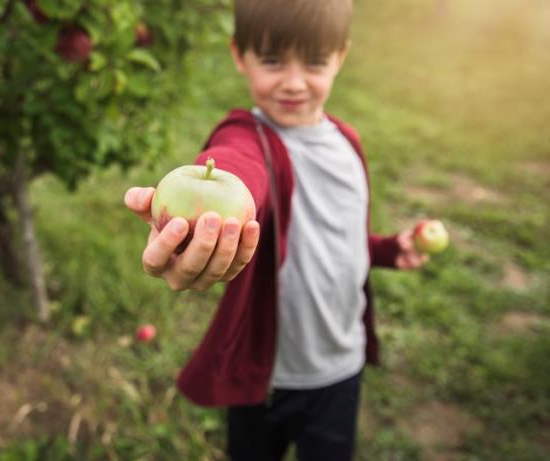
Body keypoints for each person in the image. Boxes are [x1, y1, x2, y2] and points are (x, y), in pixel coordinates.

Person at [124, 0, 428, 459]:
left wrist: (385, 250)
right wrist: (218, 201)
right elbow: (239, 165)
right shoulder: (249, 137)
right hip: (266, 374)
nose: (292, 81)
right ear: (238, 55)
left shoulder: (348, 143)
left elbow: (333, 237)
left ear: (340, 56)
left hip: (341, 367)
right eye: (271, 60)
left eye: (314, 61)